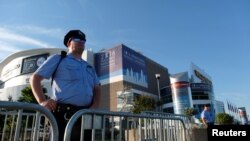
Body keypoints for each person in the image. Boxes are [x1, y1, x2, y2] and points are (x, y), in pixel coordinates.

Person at [30, 29, 101, 141]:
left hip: (86, 115)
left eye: (84, 40)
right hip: (64, 116)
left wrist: (95, 106)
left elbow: (97, 88)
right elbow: (35, 78)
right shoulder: (59, 59)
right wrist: (42, 101)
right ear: (69, 43)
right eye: (78, 39)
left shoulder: (89, 67)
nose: (82, 42)